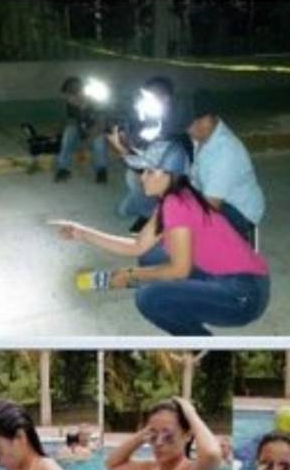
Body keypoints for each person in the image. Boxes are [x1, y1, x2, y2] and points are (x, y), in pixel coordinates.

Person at [51, 140, 270, 336]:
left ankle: (201, 346)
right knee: (149, 258)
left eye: (150, 171)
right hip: (227, 275)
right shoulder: (173, 197)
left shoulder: (177, 205)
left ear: (170, 175)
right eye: (143, 170)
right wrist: (82, 233)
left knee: (149, 298)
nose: (143, 177)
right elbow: (138, 246)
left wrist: (130, 275)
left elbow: (179, 270)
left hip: (242, 296)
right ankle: (189, 295)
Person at [107, 76, 192, 232]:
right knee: (122, 210)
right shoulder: (151, 115)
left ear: (165, 98)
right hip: (158, 167)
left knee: (136, 178)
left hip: (176, 178)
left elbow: (148, 165)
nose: (144, 101)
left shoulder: (175, 123)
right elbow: (144, 149)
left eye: (149, 97)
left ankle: (152, 215)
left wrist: (123, 151)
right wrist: (126, 142)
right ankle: (150, 208)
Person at [187, 91, 264, 245]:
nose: (197, 126)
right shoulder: (199, 138)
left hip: (239, 211)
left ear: (215, 117)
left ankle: (240, 245)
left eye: (202, 119)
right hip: (211, 198)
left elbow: (211, 205)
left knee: (186, 242)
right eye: (192, 121)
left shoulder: (225, 150)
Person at [54, 76, 109, 184]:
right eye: (67, 97)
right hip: (81, 133)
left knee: (100, 140)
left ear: (79, 93)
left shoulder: (96, 103)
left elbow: (100, 126)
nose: (68, 100)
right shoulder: (71, 105)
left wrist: (86, 142)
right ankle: (63, 169)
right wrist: (55, 131)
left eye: (69, 96)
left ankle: (101, 170)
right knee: (69, 131)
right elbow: (68, 122)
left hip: (94, 134)